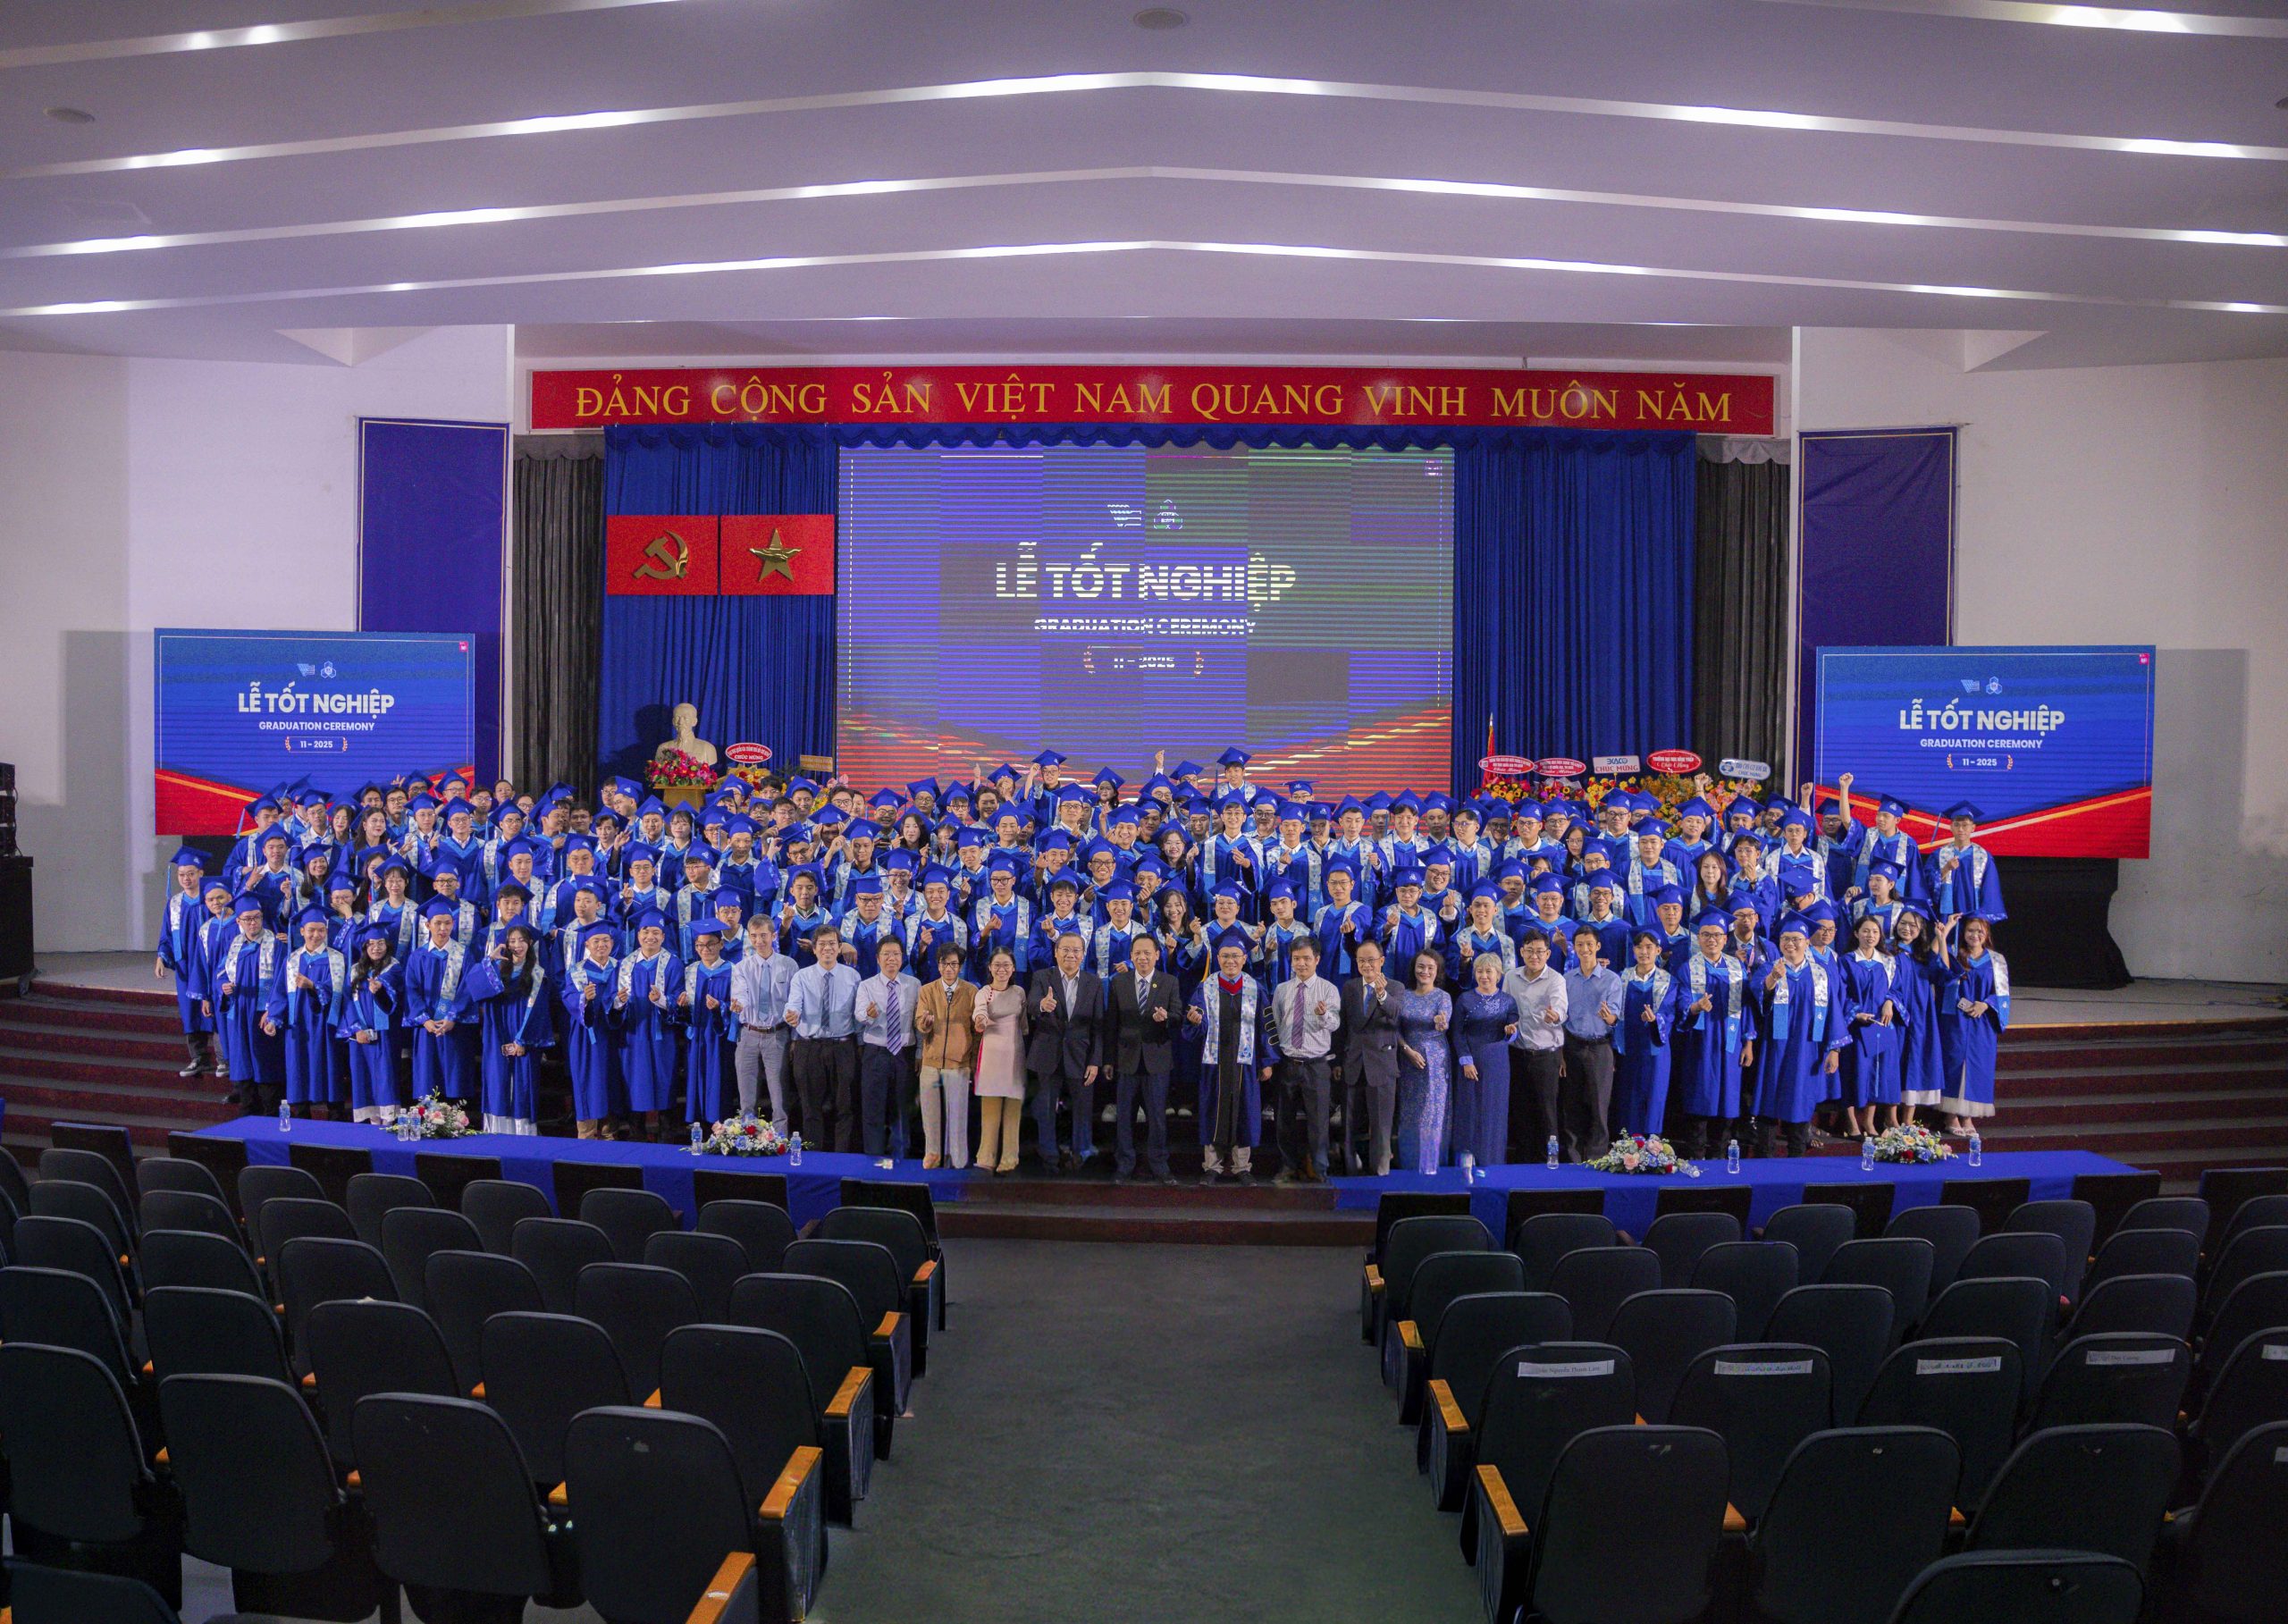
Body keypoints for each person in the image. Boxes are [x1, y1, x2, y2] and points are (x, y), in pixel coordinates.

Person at [1750, 916, 1845, 1157]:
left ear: (1807, 942)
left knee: (1801, 1100)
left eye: (1796, 939)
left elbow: (1833, 1012)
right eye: (1785, 939)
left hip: (1807, 1049)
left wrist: (1834, 1050)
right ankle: (1765, 1159)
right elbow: (1757, 998)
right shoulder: (1769, 968)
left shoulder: (1820, 974)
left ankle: (1797, 1158)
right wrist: (1773, 979)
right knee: (1770, 1097)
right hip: (1775, 1047)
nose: (1790, 943)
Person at [1190, 929, 1272, 1183]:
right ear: (1218, 958)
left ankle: (1242, 1167)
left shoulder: (1255, 989)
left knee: (1244, 1111)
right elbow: (1194, 1027)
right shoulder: (1205, 988)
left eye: (1236, 956)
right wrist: (1194, 1022)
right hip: (1214, 1063)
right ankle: (1212, 1167)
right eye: (1225, 956)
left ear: (1245, 959)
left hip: (1245, 1064)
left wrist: (1267, 1061)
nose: (1230, 961)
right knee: (1212, 1111)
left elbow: (1267, 1027)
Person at [1672, 910, 1754, 1158]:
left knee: (1727, 1102)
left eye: (1717, 935)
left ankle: (1719, 1159)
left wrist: (1748, 1043)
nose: (1711, 940)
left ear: (1725, 938)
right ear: (1698, 938)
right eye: (1706, 935)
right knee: (1701, 1098)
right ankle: (1696, 1159)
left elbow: (1746, 1007)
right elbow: (1681, 1003)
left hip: (1731, 1045)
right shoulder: (1688, 969)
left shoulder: (1737, 967)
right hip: (1700, 1044)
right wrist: (1695, 1007)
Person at [1106, 930, 1182, 1185]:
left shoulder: (1169, 982)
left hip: (1157, 1059)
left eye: (1147, 953)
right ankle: (1124, 1165)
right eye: (1137, 953)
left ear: (1157, 955)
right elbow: (1111, 1024)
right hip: (1126, 1059)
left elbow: (1178, 1017)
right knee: (1124, 1117)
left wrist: (1167, 1018)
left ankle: (1159, 1165)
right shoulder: (1119, 982)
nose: (1142, 957)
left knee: (1157, 1117)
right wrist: (1108, 1060)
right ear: (1131, 956)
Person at [1024, 930, 1104, 1172]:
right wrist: (1042, 1005)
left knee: (1082, 1107)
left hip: (1081, 1055)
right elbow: (1031, 1004)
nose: (1071, 954)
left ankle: (1081, 1153)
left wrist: (1095, 1061)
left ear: (1083, 954)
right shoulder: (1042, 977)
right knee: (1046, 1107)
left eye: (1076, 950)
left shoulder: (1094, 982)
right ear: (1056, 952)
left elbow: (1098, 1025)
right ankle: (1049, 1155)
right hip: (1048, 1053)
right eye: (1065, 949)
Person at [1268, 937, 1342, 1183]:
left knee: (1319, 1122)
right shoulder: (1282, 990)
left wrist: (1323, 1015)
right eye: (1296, 959)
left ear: (1317, 960)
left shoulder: (1328, 989)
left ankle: (1320, 1169)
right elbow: (1275, 1024)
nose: (1301, 964)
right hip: (1288, 1063)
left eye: (1306, 959)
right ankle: (1288, 1166)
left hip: (1316, 1065)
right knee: (1284, 1121)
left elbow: (1335, 1024)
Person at [468, 922, 552, 1134]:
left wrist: (523, 1040)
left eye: (522, 940)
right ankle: (497, 1133)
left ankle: (522, 1134)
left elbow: (538, 1010)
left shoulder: (537, 974)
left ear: (530, 943)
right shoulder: (496, 970)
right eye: (512, 941)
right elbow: (474, 986)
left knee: (523, 1083)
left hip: (524, 1034)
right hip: (497, 1032)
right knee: (497, 1080)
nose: (517, 945)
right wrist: (490, 959)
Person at [786, 922, 862, 1151]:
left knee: (845, 1107)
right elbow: (793, 1003)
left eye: (832, 944)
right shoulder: (802, 976)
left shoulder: (853, 976)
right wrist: (791, 1014)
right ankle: (813, 1157)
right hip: (810, 1047)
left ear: (839, 948)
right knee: (810, 1108)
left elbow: (858, 1014)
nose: (827, 948)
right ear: (814, 948)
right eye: (822, 944)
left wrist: (860, 1044)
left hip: (843, 1046)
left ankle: (842, 1158)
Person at [268, 905, 346, 1120]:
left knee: (330, 1070)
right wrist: (273, 1018)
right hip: (298, 1026)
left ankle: (336, 1119)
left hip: (326, 1025)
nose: (316, 935)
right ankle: (302, 1119)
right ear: (301, 931)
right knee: (298, 1070)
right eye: (311, 930)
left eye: (321, 930)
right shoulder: (292, 960)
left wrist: (313, 986)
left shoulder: (337, 959)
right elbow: (280, 993)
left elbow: (341, 993)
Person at [214, 893, 286, 1114]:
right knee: (243, 1062)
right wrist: (224, 986)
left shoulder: (275, 944)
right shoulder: (234, 944)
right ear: (238, 921)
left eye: (256, 917)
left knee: (265, 1064)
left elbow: (282, 982)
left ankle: (271, 1116)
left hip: (262, 1014)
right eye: (247, 919)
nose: (253, 923)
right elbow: (220, 973)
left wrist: (272, 1011)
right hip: (239, 1013)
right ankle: (247, 1115)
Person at [1939, 914, 2010, 1132]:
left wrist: (1986, 1004)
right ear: (1963, 933)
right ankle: (1951, 1115)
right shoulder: (1954, 954)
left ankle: (1968, 1116)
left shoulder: (1996, 960)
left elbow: (2002, 993)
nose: (1975, 935)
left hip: (1983, 1021)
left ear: (1987, 934)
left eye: (1980, 931)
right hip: (1957, 1018)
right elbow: (1943, 979)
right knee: (1954, 1062)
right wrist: (1964, 1004)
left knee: (1978, 1066)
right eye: (1970, 930)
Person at [405, 897, 476, 1107]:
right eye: (438, 923)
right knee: (428, 1076)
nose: (443, 928)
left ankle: (457, 1121)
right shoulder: (417, 957)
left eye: (447, 923)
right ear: (428, 925)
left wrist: (452, 1017)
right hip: (427, 1027)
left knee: (455, 1076)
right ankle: (430, 1120)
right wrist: (425, 1020)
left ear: (453, 924)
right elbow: (411, 990)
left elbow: (467, 988)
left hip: (454, 1027)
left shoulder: (463, 954)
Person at [1503, 931, 1569, 1158]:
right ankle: (1524, 1161)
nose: (1534, 956)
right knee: (1521, 1112)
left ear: (1548, 954)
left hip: (1546, 1056)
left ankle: (1551, 1159)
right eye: (1530, 951)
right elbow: (1506, 1008)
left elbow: (1561, 1009)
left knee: (1548, 1114)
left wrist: (1555, 1016)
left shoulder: (1556, 979)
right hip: (1518, 1053)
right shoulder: (1511, 977)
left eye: (1540, 951)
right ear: (1522, 952)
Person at [729, 914, 795, 1134]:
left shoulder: (788, 965)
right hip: (748, 1033)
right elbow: (740, 994)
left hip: (777, 1034)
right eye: (754, 936)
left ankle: (780, 1140)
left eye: (764, 935)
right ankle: (747, 1138)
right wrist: (738, 1004)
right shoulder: (742, 967)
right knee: (746, 1096)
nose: (759, 941)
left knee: (779, 1096)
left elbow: (794, 1000)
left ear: (774, 936)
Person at [856, 936, 921, 1159]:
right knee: (873, 1108)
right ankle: (873, 1158)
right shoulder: (866, 985)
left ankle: (900, 1158)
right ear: (878, 958)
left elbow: (918, 1022)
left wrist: (920, 1052)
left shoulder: (914, 984)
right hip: (876, 1053)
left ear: (902, 958)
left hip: (905, 1054)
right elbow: (859, 1014)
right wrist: (869, 1015)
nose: (891, 958)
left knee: (902, 1107)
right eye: (886, 954)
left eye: (896, 954)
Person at [1451, 954, 1520, 1168]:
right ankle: (1466, 1163)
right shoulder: (1465, 999)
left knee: (1493, 1111)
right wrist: (1466, 1061)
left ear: (1498, 975)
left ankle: (1492, 1162)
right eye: (1479, 971)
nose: (1484, 976)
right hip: (1470, 1062)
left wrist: (1511, 1032)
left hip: (1497, 1062)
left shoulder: (1508, 1001)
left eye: (1489, 971)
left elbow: (1513, 1029)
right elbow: (1457, 1033)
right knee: (1469, 1109)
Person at [1342, 938, 1402, 1174]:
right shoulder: (1350, 987)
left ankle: (1380, 1170)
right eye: (1361, 961)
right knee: (1349, 1122)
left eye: (1371, 960)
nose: (1367, 965)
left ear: (1382, 961)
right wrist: (1338, 1061)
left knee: (1381, 1123)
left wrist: (1381, 994)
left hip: (1381, 1063)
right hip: (1354, 1062)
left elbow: (1396, 1015)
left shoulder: (1395, 987)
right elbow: (1344, 1027)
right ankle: (1350, 1169)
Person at [157, 847, 220, 1077]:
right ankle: (198, 1057)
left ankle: (224, 1059)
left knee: (214, 1007)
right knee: (190, 1010)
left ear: (201, 874)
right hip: (185, 966)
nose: (186, 878)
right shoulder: (174, 904)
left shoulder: (211, 900)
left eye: (191, 873)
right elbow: (166, 935)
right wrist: (161, 956)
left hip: (210, 965)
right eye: (182, 874)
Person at [1561, 928, 1625, 1154]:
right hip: (1572, 1045)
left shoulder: (1612, 979)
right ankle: (1573, 1157)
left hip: (1600, 1047)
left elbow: (1615, 1017)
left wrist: (1608, 1017)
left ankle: (1597, 1157)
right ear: (1574, 948)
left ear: (1598, 947)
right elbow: (1562, 1017)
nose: (1585, 949)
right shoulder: (1567, 979)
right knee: (1571, 1104)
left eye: (1589, 944)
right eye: (1580, 944)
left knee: (1599, 1105)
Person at [913, 942, 976, 1170]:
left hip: (959, 1063)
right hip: (931, 1061)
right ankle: (932, 1156)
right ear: (938, 966)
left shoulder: (971, 991)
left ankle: (958, 1160)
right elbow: (919, 1022)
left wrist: (972, 1062)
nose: (949, 968)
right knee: (930, 1115)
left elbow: (976, 1031)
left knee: (958, 1115)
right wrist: (926, 1024)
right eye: (944, 964)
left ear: (960, 967)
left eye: (953, 964)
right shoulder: (927, 990)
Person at [1837, 913, 1900, 1137]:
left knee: (1877, 1074)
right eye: (1865, 931)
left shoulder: (1888, 962)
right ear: (1856, 934)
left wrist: (1890, 1002)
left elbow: (1898, 988)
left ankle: (1869, 1122)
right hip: (1857, 1026)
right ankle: (1851, 1122)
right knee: (1855, 1072)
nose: (1870, 935)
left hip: (1882, 1026)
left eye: (1874, 931)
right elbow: (1841, 993)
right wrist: (1855, 1013)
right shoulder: (1847, 961)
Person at [1612, 930, 1678, 1140]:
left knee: (1654, 1095)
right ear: (1633, 951)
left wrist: (1655, 1020)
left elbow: (1669, 1013)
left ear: (1658, 950)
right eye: (1639, 947)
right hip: (1628, 1049)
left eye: (1649, 947)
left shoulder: (1668, 981)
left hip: (1655, 1049)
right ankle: (1627, 1145)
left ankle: (1653, 1145)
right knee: (1628, 1096)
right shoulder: (1622, 978)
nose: (1644, 952)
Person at [339, 922, 407, 1124]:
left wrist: (379, 987)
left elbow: (392, 987)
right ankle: (373, 1123)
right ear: (365, 948)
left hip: (385, 1034)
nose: (376, 948)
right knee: (363, 1077)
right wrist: (356, 1030)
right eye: (371, 944)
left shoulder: (393, 967)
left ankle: (388, 1122)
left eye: (380, 943)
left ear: (387, 945)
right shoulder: (355, 970)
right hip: (361, 1035)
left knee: (386, 1076)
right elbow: (347, 1002)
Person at [1392, 947, 1453, 1174]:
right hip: (1407, 1058)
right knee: (1410, 1111)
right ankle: (1410, 1164)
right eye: (1421, 966)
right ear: (1414, 969)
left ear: (1437, 971)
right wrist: (1407, 1050)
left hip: (1435, 1060)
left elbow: (1444, 1022)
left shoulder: (1442, 997)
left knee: (1432, 1112)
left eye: (1430, 967)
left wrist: (1441, 1023)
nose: (1425, 971)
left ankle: (1431, 1165)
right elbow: (1395, 1029)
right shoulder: (1403, 995)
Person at [676, 921, 739, 1132]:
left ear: (721, 944)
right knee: (698, 1076)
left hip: (721, 1038)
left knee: (720, 1079)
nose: (706, 949)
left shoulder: (733, 970)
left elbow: (737, 1006)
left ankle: (721, 1125)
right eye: (700, 945)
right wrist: (682, 1006)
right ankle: (698, 1125)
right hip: (698, 1035)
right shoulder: (690, 971)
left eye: (711, 943)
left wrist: (720, 1007)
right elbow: (682, 1013)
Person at [561, 921, 622, 1137]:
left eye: (605, 940)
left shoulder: (621, 967)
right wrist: (584, 999)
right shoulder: (577, 971)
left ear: (612, 943)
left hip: (615, 1034)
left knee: (612, 1081)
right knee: (588, 1080)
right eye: (596, 941)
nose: (601, 945)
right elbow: (568, 997)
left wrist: (620, 1003)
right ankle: (586, 1135)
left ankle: (610, 1133)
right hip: (587, 1035)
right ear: (587, 944)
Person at [1890, 905, 1949, 1126]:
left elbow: (1943, 971)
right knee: (1895, 1062)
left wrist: (1941, 938)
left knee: (1916, 1061)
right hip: (1898, 1014)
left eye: (1913, 925)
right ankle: (1891, 1119)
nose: (1907, 928)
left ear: (1921, 929)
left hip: (1922, 1016)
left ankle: (1908, 1122)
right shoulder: (1888, 950)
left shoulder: (1922, 955)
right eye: (1903, 923)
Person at [970, 948, 1028, 1174]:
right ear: (990, 968)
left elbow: (1024, 1024)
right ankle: (986, 1157)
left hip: (1015, 1052)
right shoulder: (984, 992)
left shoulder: (1019, 992)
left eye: (1006, 965)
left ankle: (1010, 1158)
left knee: (1013, 1109)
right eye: (997, 965)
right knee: (990, 1108)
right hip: (991, 1054)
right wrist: (980, 1020)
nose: (1001, 970)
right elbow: (979, 1012)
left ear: (1013, 968)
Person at [1925, 801, 2006, 924]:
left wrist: (1983, 916)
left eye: (1965, 825)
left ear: (1973, 828)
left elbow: (1990, 889)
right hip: (1945, 914)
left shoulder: (1983, 856)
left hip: (1973, 911)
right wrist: (1946, 869)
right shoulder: (1939, 854)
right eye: (1956, 825)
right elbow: (1926, 885)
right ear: (1951, 827)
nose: (1961, 829)